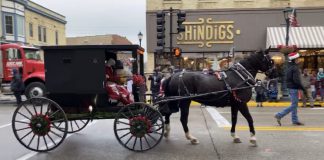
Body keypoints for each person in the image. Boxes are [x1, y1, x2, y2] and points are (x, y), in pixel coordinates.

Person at [274, 52, 306, 126]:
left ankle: (294, 120)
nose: (299, 60)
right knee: (294, 105)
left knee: (294, 104)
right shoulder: (295, 68)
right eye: (298, 58)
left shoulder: (289, 67)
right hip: (294, 88)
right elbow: (296, 80)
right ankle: (279, 115)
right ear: (295, 59)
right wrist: (302, 88)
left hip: (290, 87)